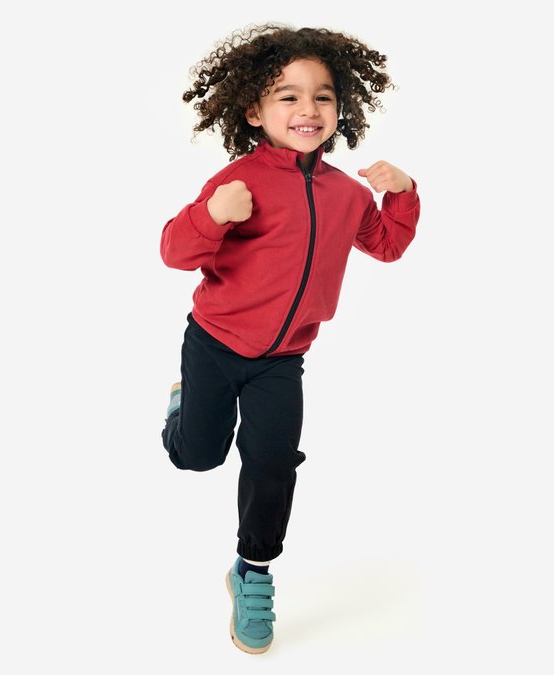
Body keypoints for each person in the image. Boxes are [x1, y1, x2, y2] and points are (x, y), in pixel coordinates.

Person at [158, 23, 421, 654]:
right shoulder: (237, 181)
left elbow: (386, 246)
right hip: (214, 345)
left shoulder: (347, 194)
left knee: (272, 463)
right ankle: (182, 411)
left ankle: (252, 570)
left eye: (323, 96)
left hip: (283, 360)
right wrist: (212, 214)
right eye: (288, 96)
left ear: (340, 108)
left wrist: (403, 194)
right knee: (198, 457)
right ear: (254, 110)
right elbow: (174, 252)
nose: (309, 109)